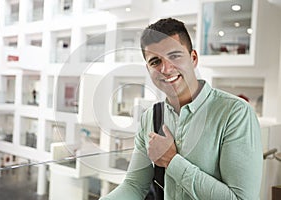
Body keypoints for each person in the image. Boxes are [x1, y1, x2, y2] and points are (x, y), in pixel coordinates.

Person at [100, 18, 263, 200]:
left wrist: (171, 160)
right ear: (148, 69)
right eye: (155, 62)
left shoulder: (235, 113)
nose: (166, 69)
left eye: (174, 56)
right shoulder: (151, 117)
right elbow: (134, 186)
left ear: (193, 58)